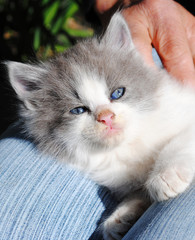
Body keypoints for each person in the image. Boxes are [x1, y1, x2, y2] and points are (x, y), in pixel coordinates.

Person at [0, 1, 194, 240]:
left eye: (116, 95)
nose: (105, 116)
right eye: (79, 109)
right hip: (150, 21)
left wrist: (173, 162)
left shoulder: (164, 108)